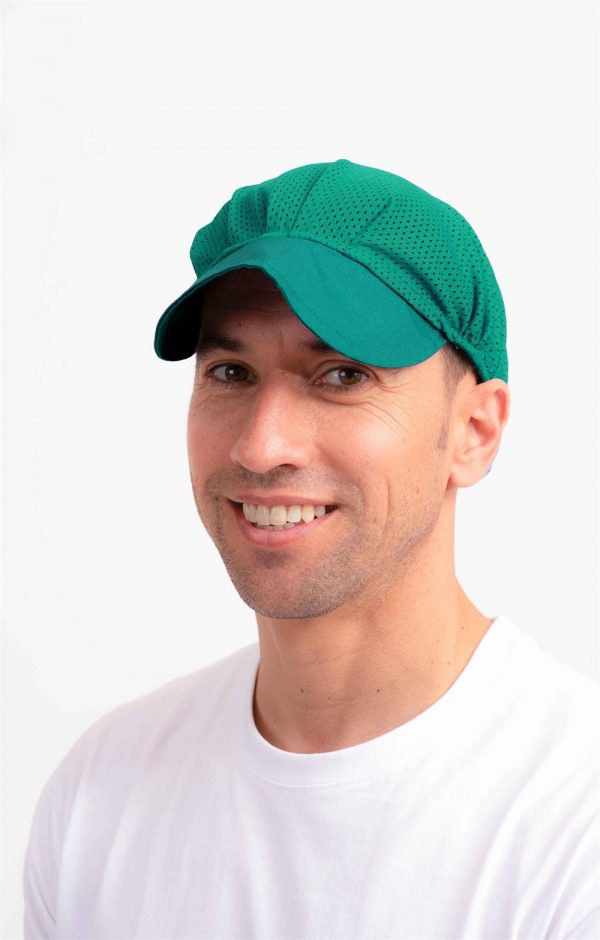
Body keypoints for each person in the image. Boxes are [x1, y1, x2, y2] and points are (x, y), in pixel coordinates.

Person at [23, 159, 599, 939]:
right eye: (231, 371)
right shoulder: (99, 799)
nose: (261, 447)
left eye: (342, 375)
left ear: (474, 431)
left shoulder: (573, 822)